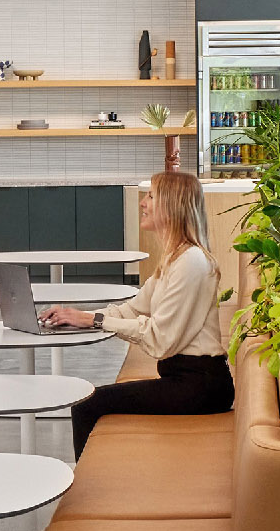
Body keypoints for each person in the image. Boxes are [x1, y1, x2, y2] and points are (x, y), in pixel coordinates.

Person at [45, 169, 232, 456]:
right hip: (186, 380)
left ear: (172, 205)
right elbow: (132, 309)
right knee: (89, 403)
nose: (143, 203)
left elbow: (161, 339)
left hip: (200, 386)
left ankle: (87, 483)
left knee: (87, 405)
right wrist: (79, 317)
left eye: (151, 196)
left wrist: (96, 320)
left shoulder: (191, 262)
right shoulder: (174, 258)